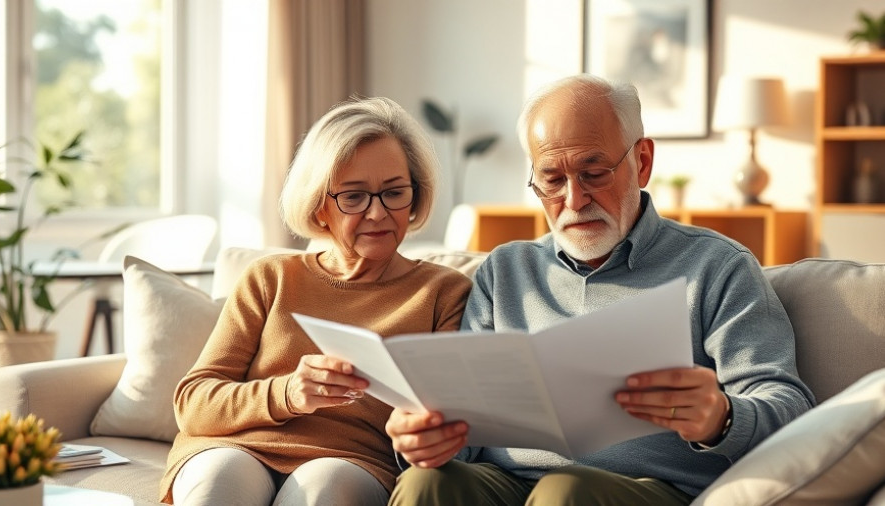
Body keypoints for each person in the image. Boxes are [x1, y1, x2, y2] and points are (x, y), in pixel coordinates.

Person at [385, 73, 816, 505]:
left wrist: (722, 418)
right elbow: (466, 422)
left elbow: (788, 404)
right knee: (426, 482)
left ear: (642, 162)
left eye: (593, 173)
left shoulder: (717, 267)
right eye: (552, 180)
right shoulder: (505, 270)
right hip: (511, 483)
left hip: (643, 491)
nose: (574, 199)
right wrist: (428, 437)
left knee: (564, 491)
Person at [159, 96, 472, 506]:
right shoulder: (271, 278)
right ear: (319, 205)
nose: (378, 214)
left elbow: (444, 420)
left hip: (353, 462)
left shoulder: (442, 293)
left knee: (323, 488)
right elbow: (193, 402)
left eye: (394, 192)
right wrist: (289, 393)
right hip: (234, 448)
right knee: (221, 481)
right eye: (355, 197)